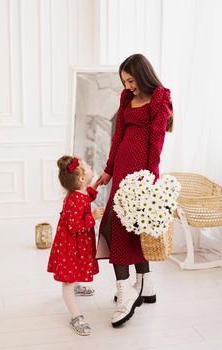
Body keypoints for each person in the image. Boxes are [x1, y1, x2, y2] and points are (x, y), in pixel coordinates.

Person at [96, 53, 173, 327]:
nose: (128, 86)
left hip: (141, 174)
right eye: (125, 81)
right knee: (118, 227)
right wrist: (108, 169)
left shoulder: (160, 98)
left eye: (130, 80)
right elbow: (118, 136)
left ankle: (127, 291)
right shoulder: (127, 98)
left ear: (142, 75)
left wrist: (150, 178)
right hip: (121, 172)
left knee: (128, 229)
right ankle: (145, 286)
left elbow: (157, 142)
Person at [47, 156, 104, 336]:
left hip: (77, 244)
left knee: (76, 266)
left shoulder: (81, 193)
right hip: (70, 245)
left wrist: (95, 185)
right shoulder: (75, 200)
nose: (89, 165)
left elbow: (87, 194)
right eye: (86, 166)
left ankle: (77, 285)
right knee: (67, 279)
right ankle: (75, 316)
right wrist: (92, 217)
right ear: (80, 179)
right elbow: (74, 226)